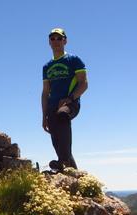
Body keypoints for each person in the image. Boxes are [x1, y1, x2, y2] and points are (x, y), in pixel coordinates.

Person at [42, 28, 88, 171]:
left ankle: (63, 161)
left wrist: (70, 98)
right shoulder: (47, 66)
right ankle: (72, 172)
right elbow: (45, 92)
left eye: (59, 38)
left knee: (62, 115)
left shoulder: (74, 60)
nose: (56, 41)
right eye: (53, 38)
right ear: (49, 42)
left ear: (65, 41)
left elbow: (84, 84)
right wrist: (44, 116)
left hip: (70, 103)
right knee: (58, 142)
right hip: (52, 107)